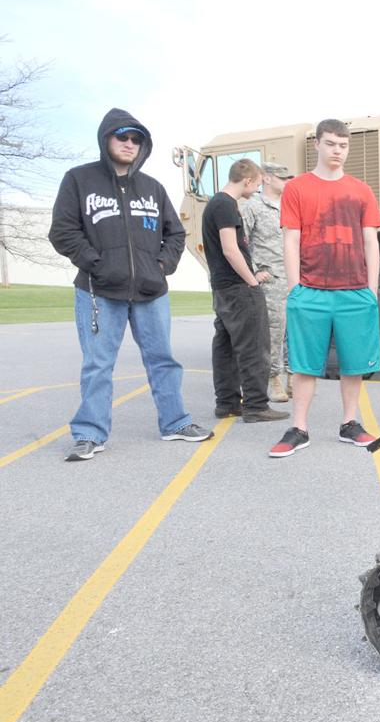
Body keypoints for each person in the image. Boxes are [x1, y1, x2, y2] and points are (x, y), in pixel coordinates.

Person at [49, 109, 214, 461]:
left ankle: (175, 423)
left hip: (150, 292)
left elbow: (175, 232)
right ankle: (89, 433)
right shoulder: (78, 180)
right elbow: (62, 232)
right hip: (98, 290)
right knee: (98, 363)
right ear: (106, 138)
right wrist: (98, 264)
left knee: (163, 360)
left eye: (136, 139)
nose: (129, 143)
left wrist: (161, 266)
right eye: (122, 136)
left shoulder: (152, 187)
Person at [270, 119, 380, 458]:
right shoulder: (297, 189)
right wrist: (294, 288)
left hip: (355, 289)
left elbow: (370, 242)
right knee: (304, 364)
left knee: (355, 363)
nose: (337, 151)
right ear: (317, 145)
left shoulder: (361, 190)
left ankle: (350, 423)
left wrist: (372, 291)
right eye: (331, 144)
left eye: (343, 145)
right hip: (311, 289)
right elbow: (291, 239)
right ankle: (299, 428)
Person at [201, 158, 288, 424]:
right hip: (239, 289)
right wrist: (251, 280)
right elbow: (230, 248)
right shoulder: (227, 205)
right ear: (247, 180)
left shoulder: (214, 204)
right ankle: (256, 405)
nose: (258, 189)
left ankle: (226, 403)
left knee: (225, 347)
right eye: (258, 183)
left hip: (222, 288)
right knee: (254, 347)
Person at [242, 160, 291, 403]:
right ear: (267, 178)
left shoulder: (290, 206)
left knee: (295, 331)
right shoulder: (253, 207)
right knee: (273, 331)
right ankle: (274, 381)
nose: (287, 182)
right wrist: (252, 273)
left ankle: (294, 377)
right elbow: (241, 242)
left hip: (293, 277)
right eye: (283, 177)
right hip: (271, 280)